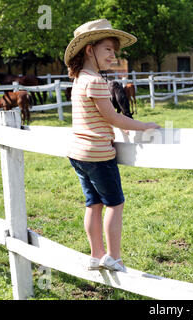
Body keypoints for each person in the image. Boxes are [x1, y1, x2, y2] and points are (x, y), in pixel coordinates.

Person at [64, 19, 160, 272]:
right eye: (108, 49)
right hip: (98, 155)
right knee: (115, 204)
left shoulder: (79, 79)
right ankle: (113, 258)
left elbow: (95, 116)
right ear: (89, 49)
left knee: (92, 204)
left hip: (78, 154)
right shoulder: (95, 81)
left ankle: (96, 255)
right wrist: (145, 125)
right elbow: (112, 117)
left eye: (114, 51)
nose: (113, 55)